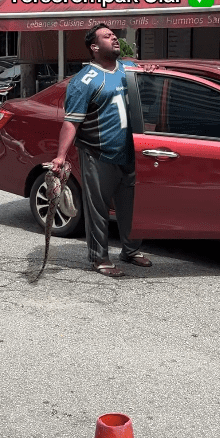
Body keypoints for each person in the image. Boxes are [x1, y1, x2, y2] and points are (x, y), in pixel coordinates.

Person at [51, 23, 152, 277]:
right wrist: (61, 156)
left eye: (114, 35)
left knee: (131, 206)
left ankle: (130, 250)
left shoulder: (129, 69)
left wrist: (149, 71)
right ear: (94, 47)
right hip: (98, 153)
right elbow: (72, 121)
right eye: (107, 36)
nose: (114, 38)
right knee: (97, 208)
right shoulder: (84, 80)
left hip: (130, 152)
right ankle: (99, 258)